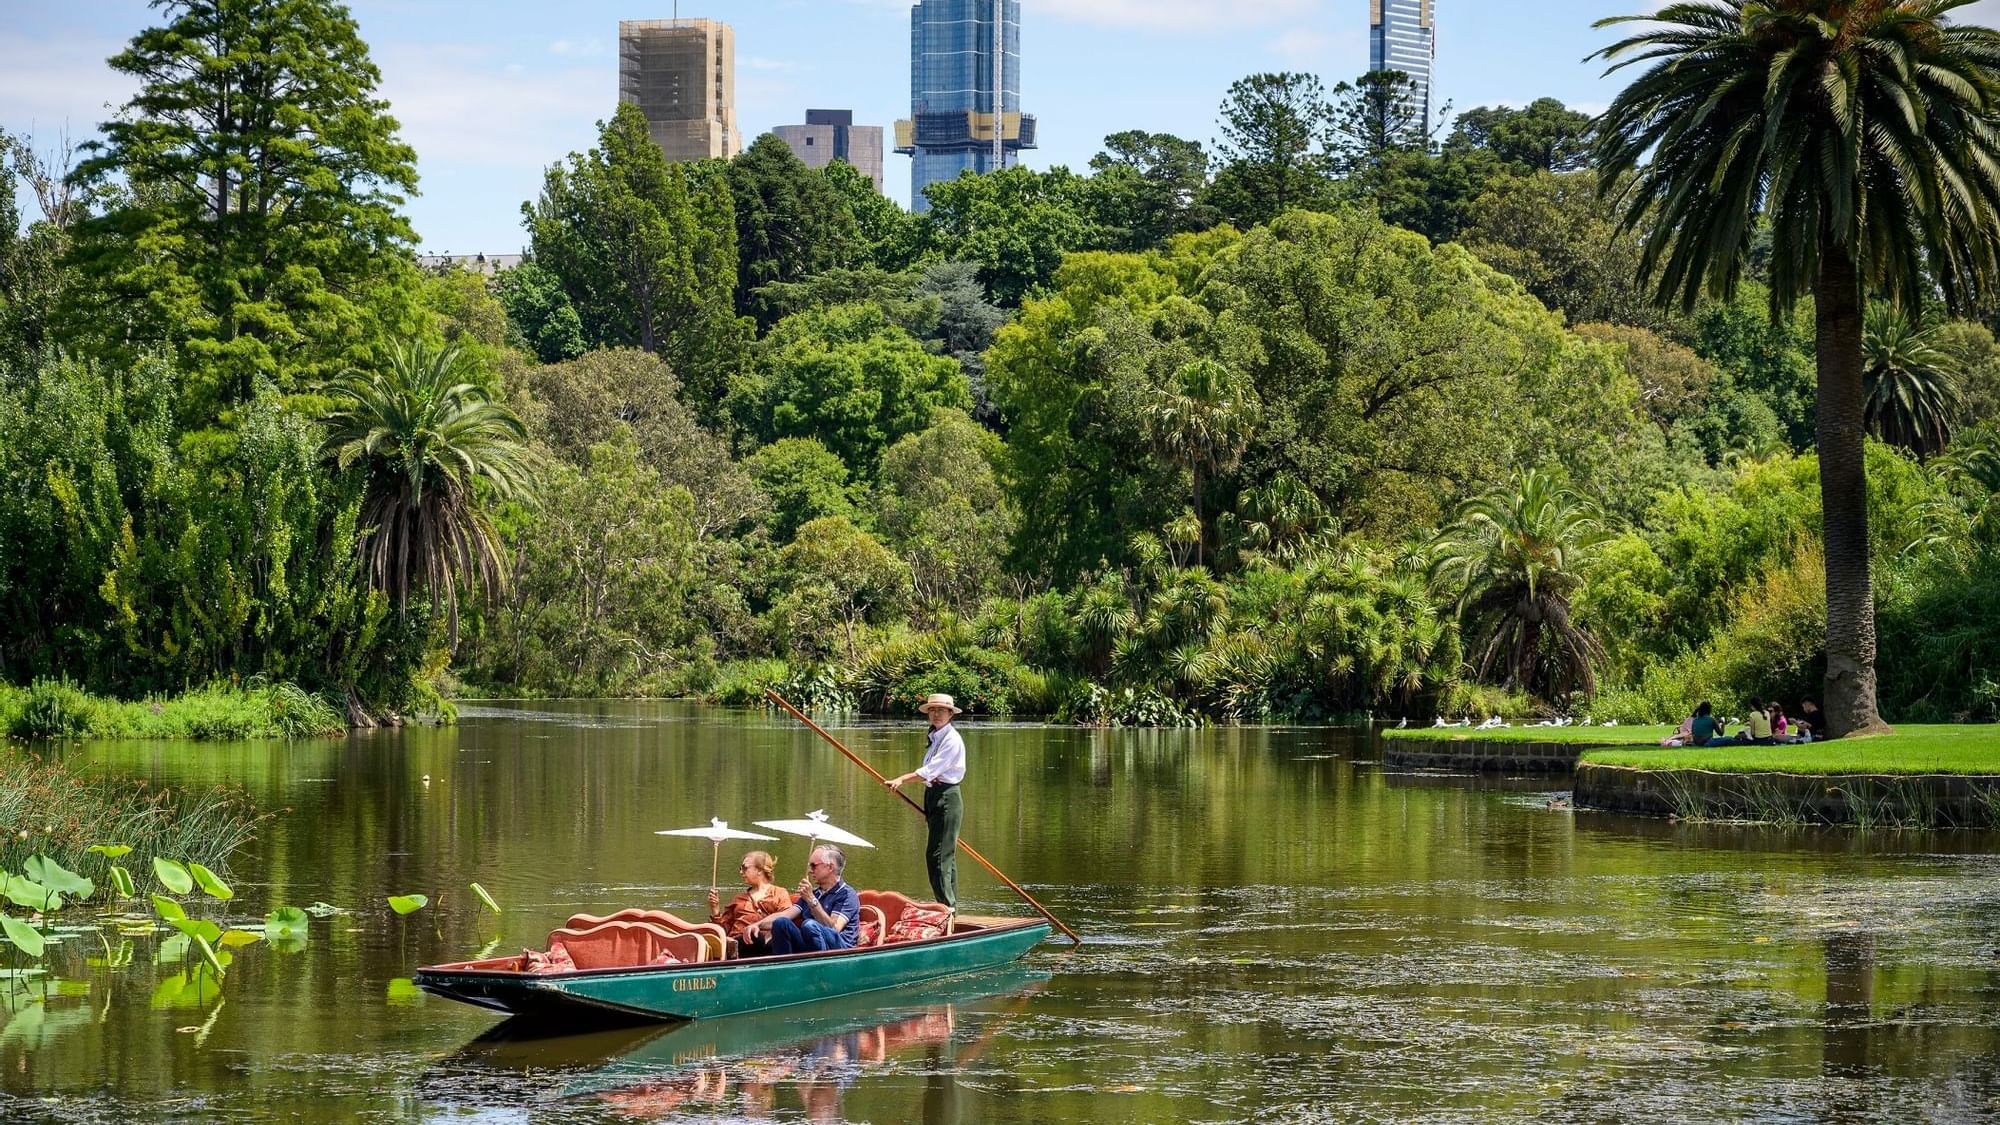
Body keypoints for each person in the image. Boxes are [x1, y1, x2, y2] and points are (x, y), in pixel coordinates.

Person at [886, 692, 965, 915]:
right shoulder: (935, 737)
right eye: (933, 710)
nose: (936, 714)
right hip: (934, 796)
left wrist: (901, 779)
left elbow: (930, 771)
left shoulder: (951, 740)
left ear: (950, 714)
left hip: (947, 798)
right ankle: (950, 906)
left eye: (941, 710)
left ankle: (947, 908)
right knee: (944, 856)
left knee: (938, 857)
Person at [746, 844, 860, 955]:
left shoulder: (847, 894)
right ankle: (783, 967)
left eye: (814, 865)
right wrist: (757, 925)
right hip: (811, 946)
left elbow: (834, 928)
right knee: (781, 923)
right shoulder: (815, 893)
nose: (810, 870)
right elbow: (786, 914)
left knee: (809, 925)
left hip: (839, 951)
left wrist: (811, 900)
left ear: (830, 867)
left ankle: (818, 967)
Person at [708, 850, 792, 957]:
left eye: (745, 868)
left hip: (765, 942)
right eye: (740, 868)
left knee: (756, 936)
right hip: (738, 941)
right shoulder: (738, 898)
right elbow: (722, 930)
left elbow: (785, 922)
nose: (741, 872)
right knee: (751, 937)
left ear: (760, 870)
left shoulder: (779, 893)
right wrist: (715, 909)